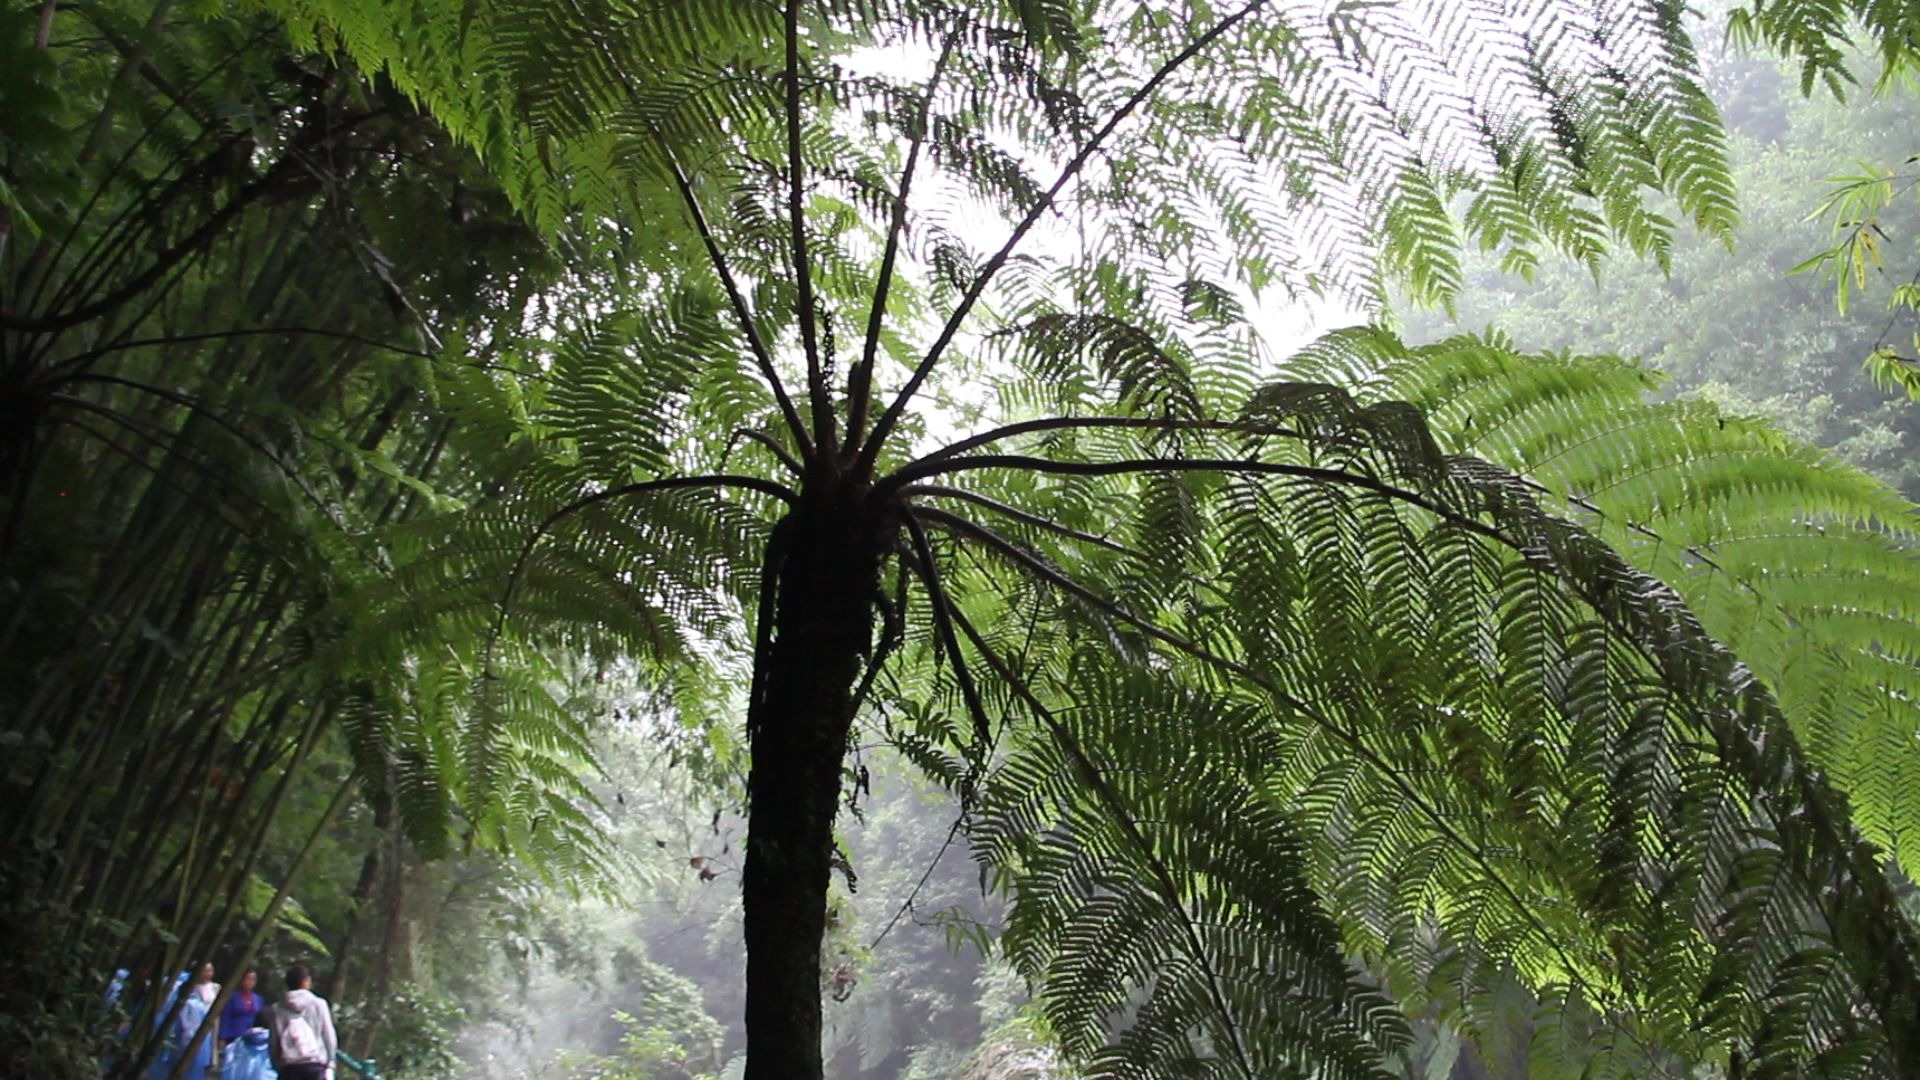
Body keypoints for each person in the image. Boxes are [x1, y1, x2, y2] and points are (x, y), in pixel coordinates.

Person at [266, 964, 336, 1080]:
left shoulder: (277, 1009)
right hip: (315, 1064)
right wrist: (331, 1060)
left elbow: (273, 1041)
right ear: (305, 982)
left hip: (288, 1066)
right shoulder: (318, 1004)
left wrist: (277, 1064)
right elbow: (328, 1034)